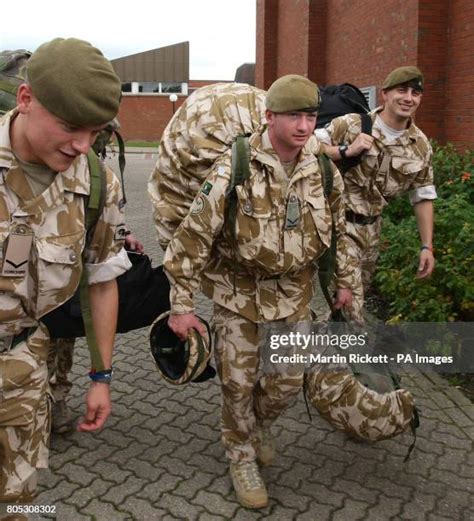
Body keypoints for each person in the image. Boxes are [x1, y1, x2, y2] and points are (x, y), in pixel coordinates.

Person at [158, 75, 355, 509]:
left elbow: (341, 231)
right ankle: (240, 454)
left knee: (285, 383)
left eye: (310, 116)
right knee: (237, 383)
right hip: (237, 294)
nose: (304, 126)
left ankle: (255, 426)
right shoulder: (236, 166)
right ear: (269, 117)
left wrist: (344, 283)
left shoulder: (321, 169)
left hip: (293, 294)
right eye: (293, 116)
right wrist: (182, 307)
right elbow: (192, 238)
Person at [0, 38, 130, 505]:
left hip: (23, 369)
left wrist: (101, 377)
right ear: (27, 99)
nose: (82, 145)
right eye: (72, 127)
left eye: (96, 132)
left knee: (19, 500)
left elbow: (102, 279)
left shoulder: (95, 182)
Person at [315, 66, 436, 323]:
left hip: (372, 232)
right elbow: (308, 146)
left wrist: (427, 246)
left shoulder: (420, 146)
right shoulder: (352, 124)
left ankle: (319, 350)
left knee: (344, 303)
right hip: (339, 225)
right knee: (350, 304)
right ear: (385, 95)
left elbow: (422, 195)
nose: (408, 98)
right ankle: (346, 357)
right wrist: (345, 150)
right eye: (401, 90)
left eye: (415, 93)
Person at [48, 232, 144, 434]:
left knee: (65, 338)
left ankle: (57, 397)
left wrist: (123, 232)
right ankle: (36, 399)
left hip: (69, 272)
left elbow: (103, 215)